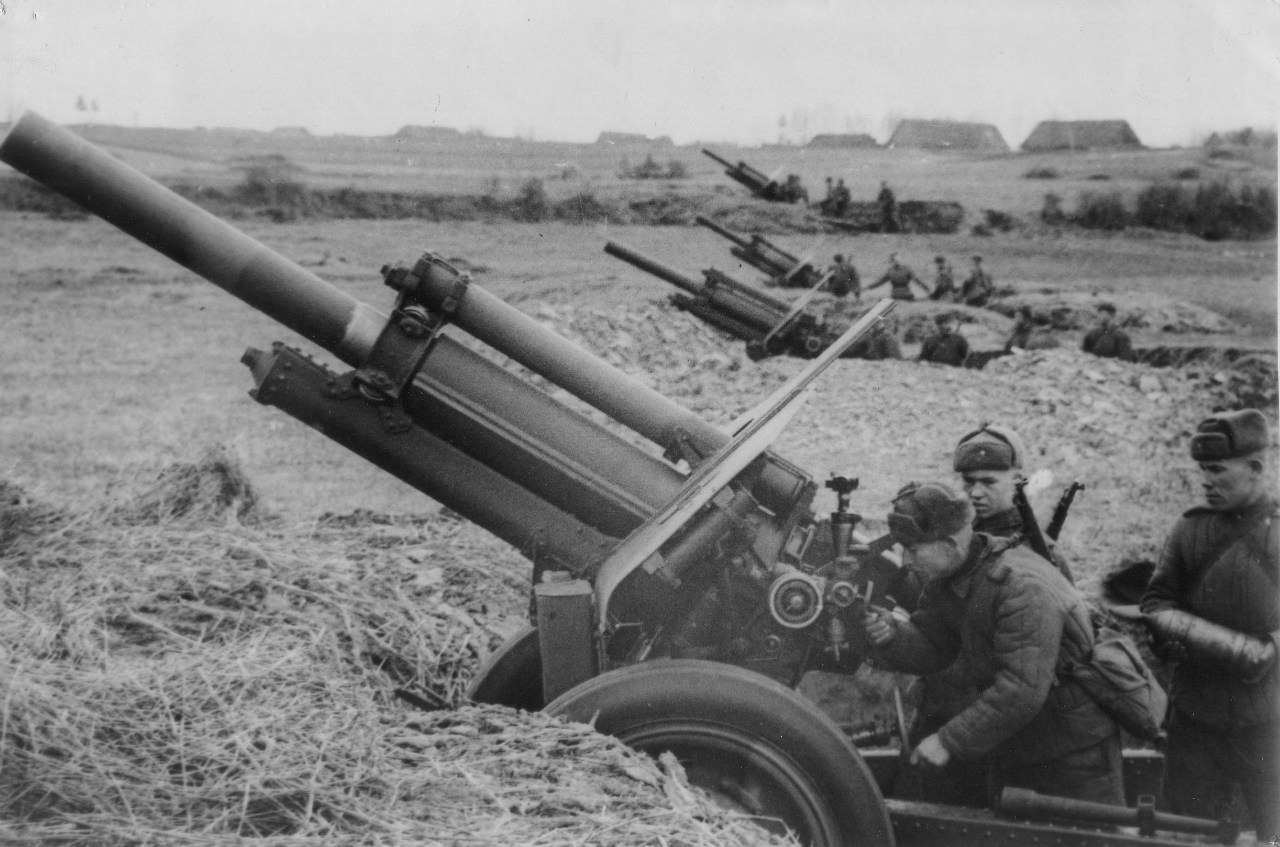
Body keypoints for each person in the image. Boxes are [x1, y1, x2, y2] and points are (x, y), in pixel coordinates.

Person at [863, 482, 1125, 806]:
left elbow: (1022, 688)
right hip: (1020, 742)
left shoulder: (1020, 586)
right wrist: (892, 636)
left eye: (913, 550)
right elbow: (934, 645)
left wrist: (947, 741)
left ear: (950, 544)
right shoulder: (952, 577)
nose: (905, 561)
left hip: (1074, 753)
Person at [1140, 409, 1279, 841]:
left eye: (1217, 470)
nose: (1205, 481)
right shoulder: (1189, 529)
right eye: (1202, 469)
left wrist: (1268, 647)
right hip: (1197, 715)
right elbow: (1157, 601)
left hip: (1270, 717)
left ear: (1255, 468)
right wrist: (1170, 635)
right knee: (1185, 831)